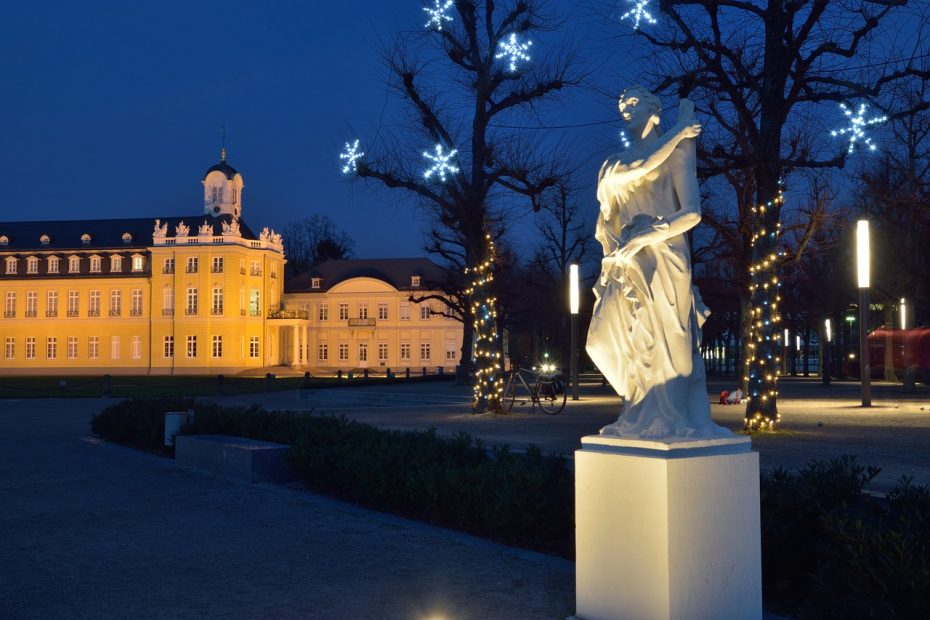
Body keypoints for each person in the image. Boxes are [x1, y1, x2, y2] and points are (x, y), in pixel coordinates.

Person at [586, 86, 730, 440]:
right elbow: (637, 169)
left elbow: (692, 213)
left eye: (633, 103)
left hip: (665, 256)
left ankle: (665, 417)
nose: (625, 108)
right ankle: (637, 410)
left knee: (670, 345)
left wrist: (647, 236)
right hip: (626, 259)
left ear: (654, 110)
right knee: (601, 343)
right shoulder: (613, 164)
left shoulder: (679, 155)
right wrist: (679, 130)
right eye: (622, 103)